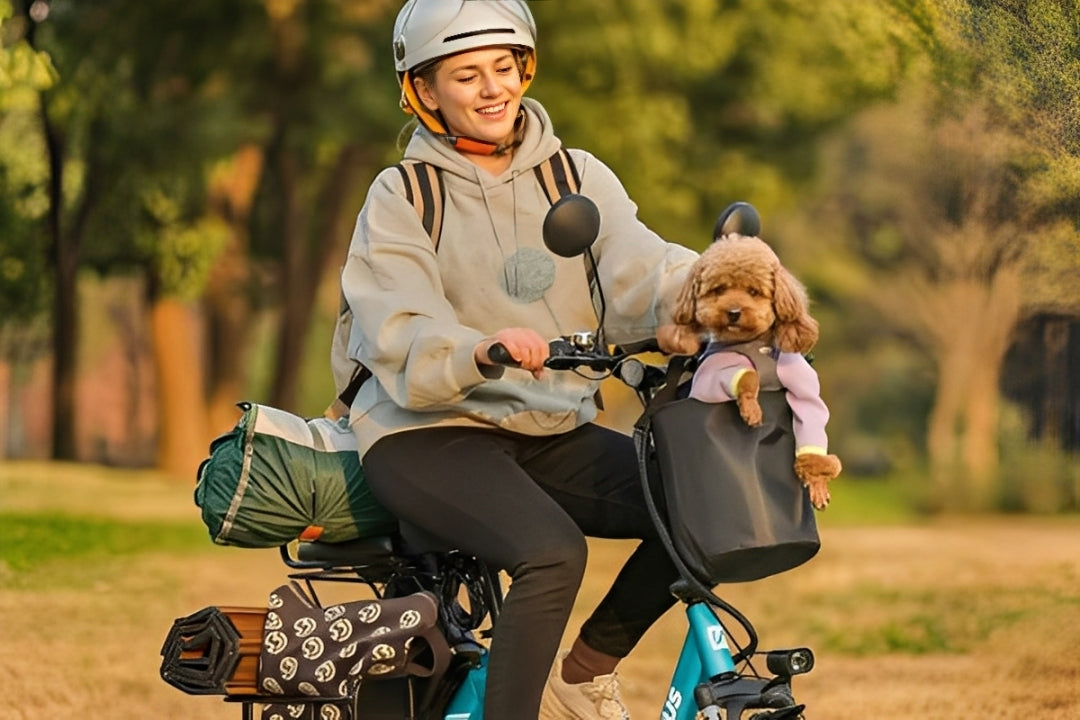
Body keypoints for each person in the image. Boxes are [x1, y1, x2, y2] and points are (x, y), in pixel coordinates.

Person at [338, 1, 700, 717]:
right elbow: (398, 323)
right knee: (552, 552)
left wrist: (718, 291)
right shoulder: (403, 195)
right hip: (426, 432)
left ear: (525, 70)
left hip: (549, 426)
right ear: (423, 90)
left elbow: (643, 269)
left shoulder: (576, 176)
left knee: (699, 504)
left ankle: (583, 675)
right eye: (466, 75)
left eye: (503, 67)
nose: (491, 89)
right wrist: (479, 348)